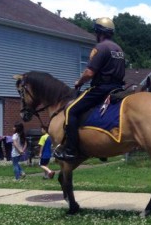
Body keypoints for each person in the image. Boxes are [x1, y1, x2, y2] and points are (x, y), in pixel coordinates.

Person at [54, 17, 126, 161]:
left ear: (98, 32)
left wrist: (79, 82)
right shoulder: (118, 49)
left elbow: (89, 72)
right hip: (118, 88)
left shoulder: (100, 48)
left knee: (70, 110)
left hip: (102, 88)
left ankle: (71, 150)